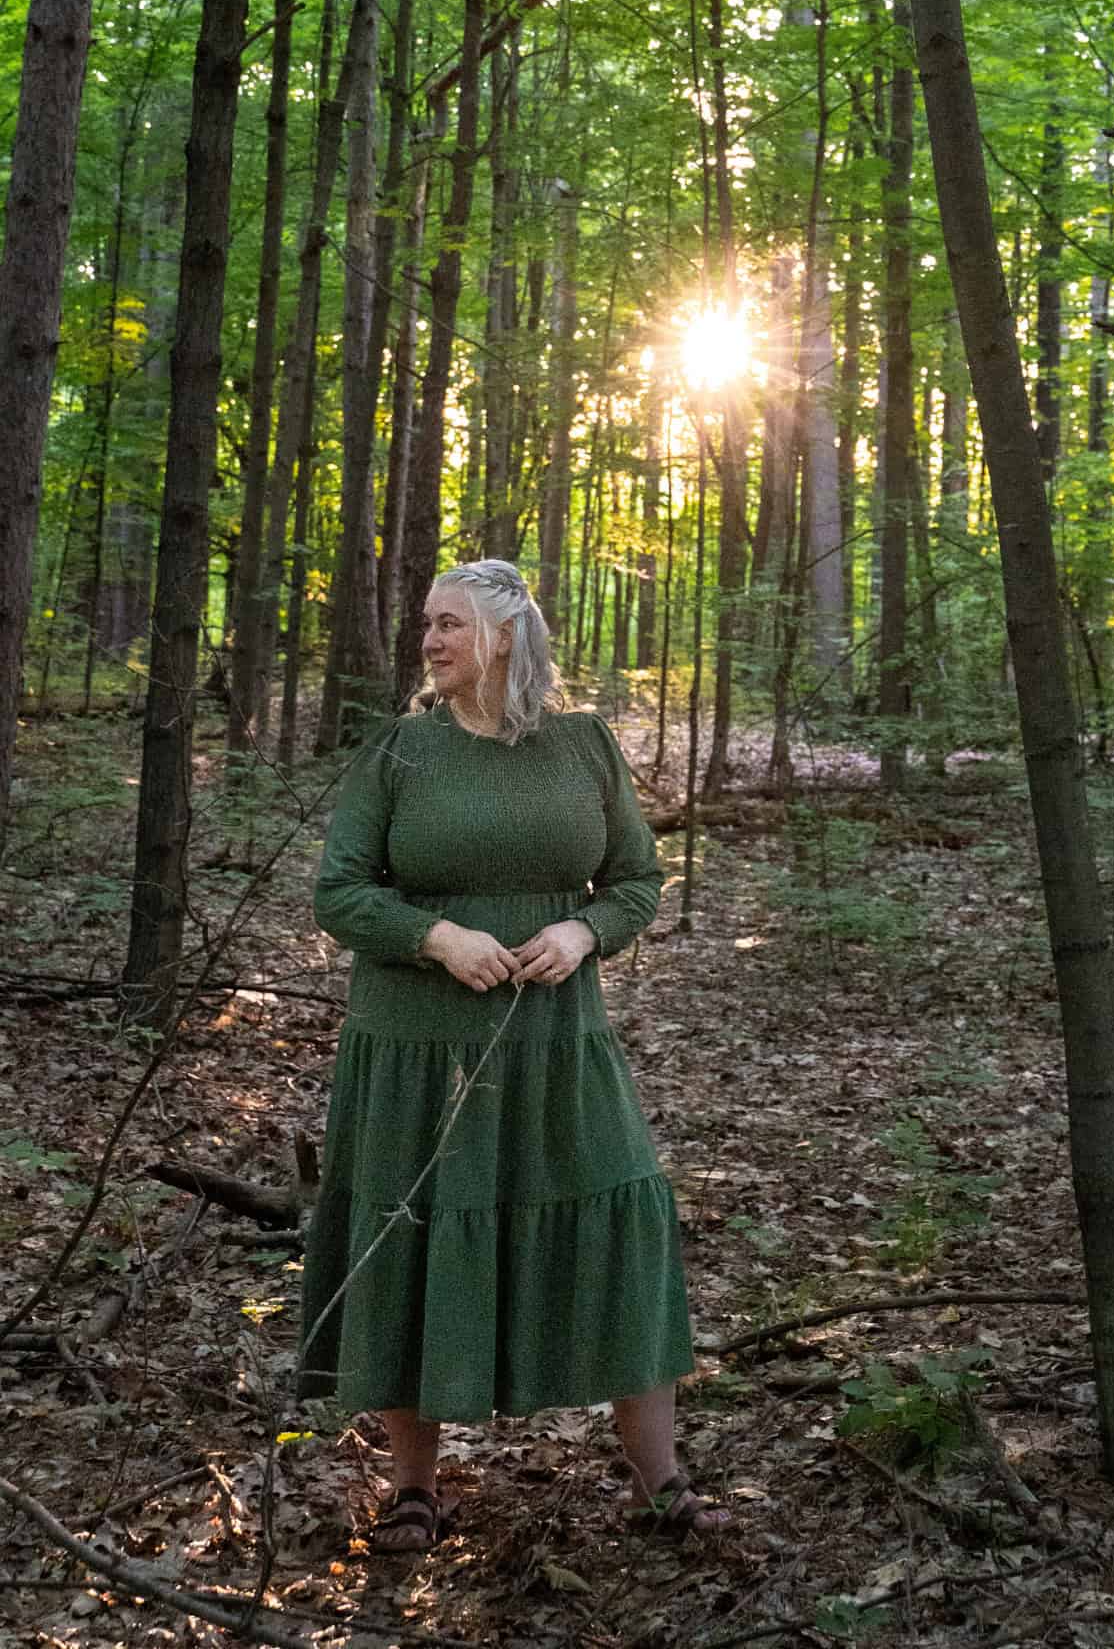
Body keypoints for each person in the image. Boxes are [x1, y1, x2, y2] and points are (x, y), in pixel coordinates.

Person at [297, 559, 729, 1551]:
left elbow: (634, 879)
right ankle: (414, 1487)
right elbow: (340, 893)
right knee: (412, 1230)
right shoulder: (402, 751)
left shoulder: (583, 746)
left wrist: (583, 935)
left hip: (556, 1040)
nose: (430, 640)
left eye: (449, 624)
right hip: (415, 1047)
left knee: (620, 1219)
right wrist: (437, 938)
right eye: (426, 624)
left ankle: (659, 1481)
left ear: (504, 638)